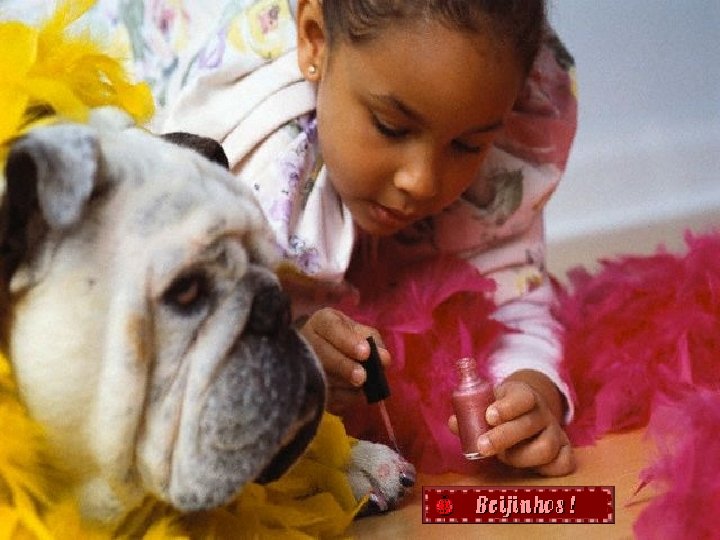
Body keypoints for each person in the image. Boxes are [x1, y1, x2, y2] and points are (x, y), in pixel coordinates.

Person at [153, 0, 577, 476]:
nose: (421, 182)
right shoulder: (247, 173)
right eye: (391, 127)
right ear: (315, 41)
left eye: (466, 145)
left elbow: (514, 299)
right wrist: (291, 353)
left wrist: (531, 389)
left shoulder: (491, 179)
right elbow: (180, 344)